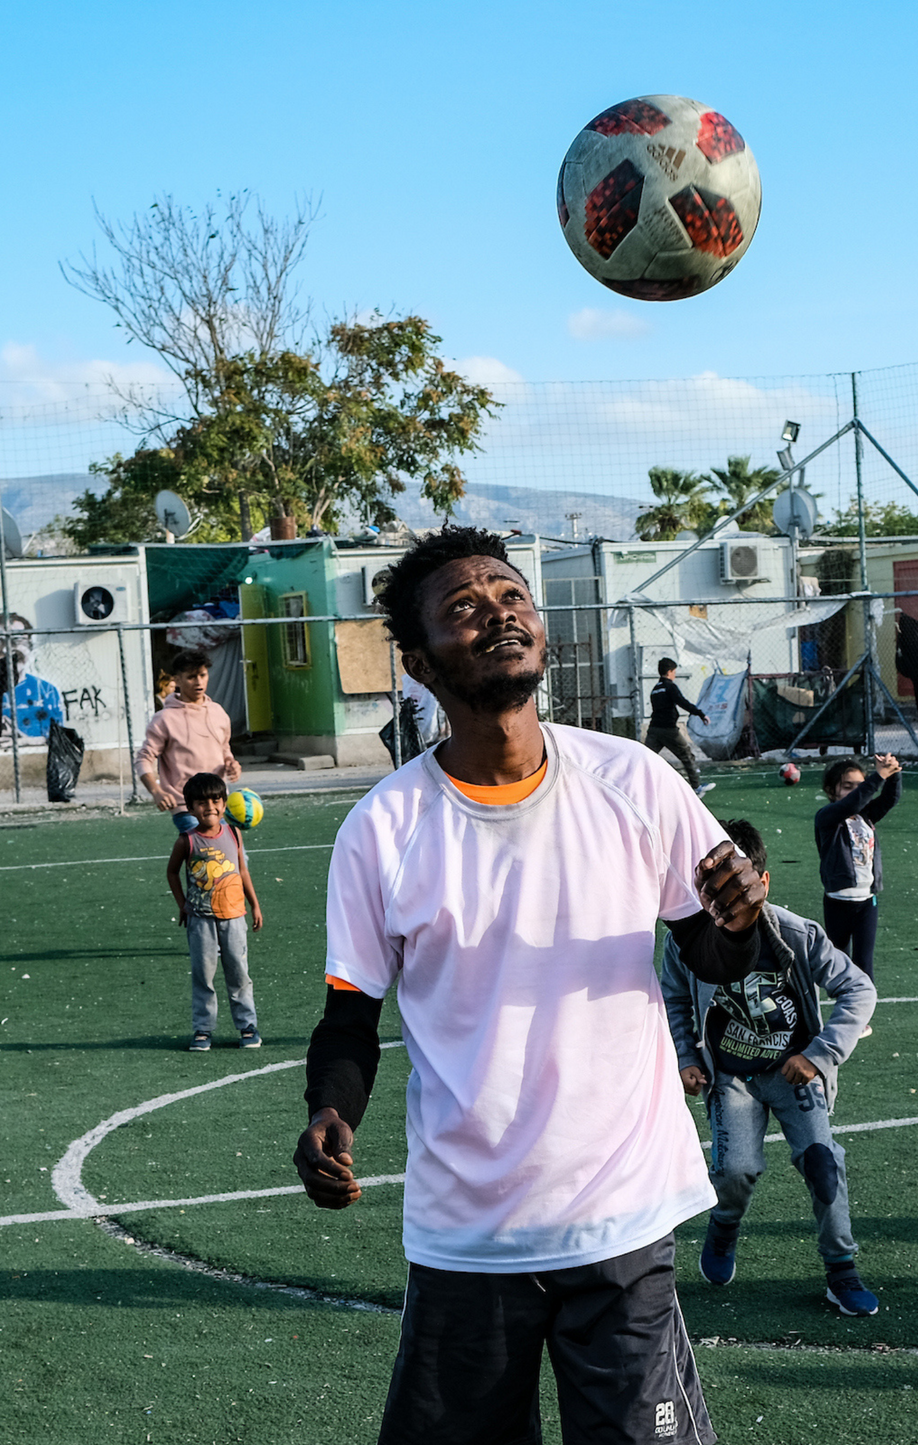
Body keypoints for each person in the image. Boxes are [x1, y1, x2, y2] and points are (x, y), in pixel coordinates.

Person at [292, 524, 769, 1445]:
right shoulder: (382, 830)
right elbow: (348, 1018)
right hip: (466, 1235)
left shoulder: (633, 779)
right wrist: (329, 1113)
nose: (498, 615)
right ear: (419, 662)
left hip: (620, 1219)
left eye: (511, 597)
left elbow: (711, 960)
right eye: (463, 608)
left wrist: (739, 925)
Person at [660, 817, 878, 1315]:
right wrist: (688, 1056)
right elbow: (674, 996)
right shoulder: (686, 942)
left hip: (789, 1071)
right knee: (734, 1171)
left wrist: (820, 1055)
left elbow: (859, 990)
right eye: (719, 896)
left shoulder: (797, 934)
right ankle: (724, 1228)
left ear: (763, 883)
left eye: (742, 892)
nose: (729, 907)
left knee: (823, 1165)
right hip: (733, 1078)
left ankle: (841, 1271)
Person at [165, 772, 263, 1051]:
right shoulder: (187, 840)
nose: (210, 807)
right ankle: (203, 1029)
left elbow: (242, 870)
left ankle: (247, 1026)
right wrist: (182, 903)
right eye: (201, 802)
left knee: (238, 973)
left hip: (234, 916)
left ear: (225, 803)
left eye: (216, 800)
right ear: (190, 807)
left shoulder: (233, 833)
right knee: (203, 975)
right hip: (201, 919)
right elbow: (172, 872)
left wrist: (254, 904)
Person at [814, 753, 902, 993]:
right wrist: (877, 776)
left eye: (859, 787)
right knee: (839, 960)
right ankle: (843, 1006)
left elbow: (891, 797)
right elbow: (850, 804)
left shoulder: (866, 815)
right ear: (831, 791)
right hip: (838, 903)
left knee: (864, 961)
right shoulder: (827, 817)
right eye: (847, 787)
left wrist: (893, 773)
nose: (855, 792)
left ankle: (861, 1015)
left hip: (866, 902)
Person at [136, 649, 242, 824]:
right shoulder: (165, 719)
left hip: (217, 806)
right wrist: (156, 791)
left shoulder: (218, 712)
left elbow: (224, 749)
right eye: (191, 677)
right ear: (177, 680)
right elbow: (143, 759)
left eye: (203, 675)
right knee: (207, 850)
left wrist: (231, 763)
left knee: (233, 851)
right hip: (186, 808)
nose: (199, 682)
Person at [0, 612, 64, 742]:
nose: (6, 650)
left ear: (29, 645)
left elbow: (55, 740)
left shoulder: (45, 691)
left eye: (16, 640)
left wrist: (19, 739)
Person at [645, 656, 714, 795]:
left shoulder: (655, 689)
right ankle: (697, 787)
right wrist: (700, 714)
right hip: (669, 730)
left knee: (646, 757)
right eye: (674, 671)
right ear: (670, 672)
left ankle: (635, 787)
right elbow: (682, 702)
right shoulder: (670, 687)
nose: (675, 674)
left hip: (653, 730)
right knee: (687, 755)